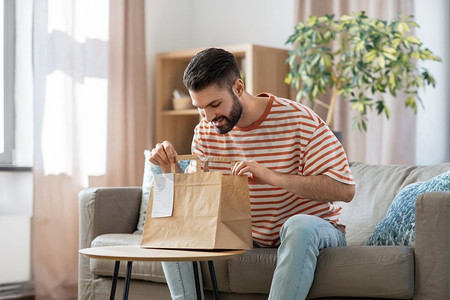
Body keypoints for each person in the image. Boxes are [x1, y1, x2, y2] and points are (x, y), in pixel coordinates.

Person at [149, 47, 356, 300]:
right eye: (200, 108)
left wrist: (271, 176)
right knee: (176, 227)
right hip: (245, 236)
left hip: (317, 230)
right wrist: (169, 171)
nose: (209, 117)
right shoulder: (205, 131)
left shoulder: (300, 121)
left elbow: (345, 190)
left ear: (238, 87)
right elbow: (196, 207)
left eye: (215, 104)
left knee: (298, 225)